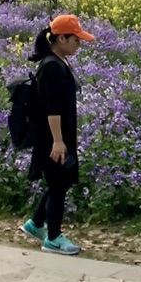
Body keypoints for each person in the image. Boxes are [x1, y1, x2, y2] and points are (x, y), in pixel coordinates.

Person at [21, 13, 96, 255]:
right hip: (51, 138)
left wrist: (68, 136)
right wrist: (58, 141)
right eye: (76, 39)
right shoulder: (51, 67)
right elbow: (51, 109)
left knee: (58, 182)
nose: (79, 44)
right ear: (61, 38)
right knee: (57, 186)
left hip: (58, 136)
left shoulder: (58, 62)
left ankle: (35, 224)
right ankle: (52, 238)